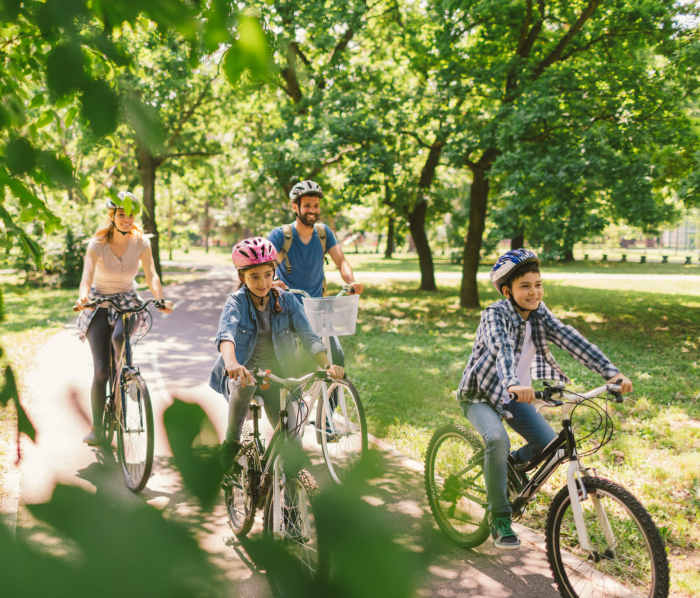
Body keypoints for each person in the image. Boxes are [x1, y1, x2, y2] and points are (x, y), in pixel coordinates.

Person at [457, 248, 632, 549]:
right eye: (525, 286)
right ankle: (499, 518)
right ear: (506, 290)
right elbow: (502, 350)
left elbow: (571, 339)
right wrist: (513, 382)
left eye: (538, 284)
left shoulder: (540, 314)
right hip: (481, 395)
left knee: (549, 446)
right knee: (497, 440)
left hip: (514, 395)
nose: (534, 292)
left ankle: (507, 468)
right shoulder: (493, 315)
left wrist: (610, 373)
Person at [208, 237, 344, 467]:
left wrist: (326, 365)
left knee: (292, 444)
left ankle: (290, 497)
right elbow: (226, 335)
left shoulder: (287, 300)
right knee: (244, 384)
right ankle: (230, 444)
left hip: (276, 376)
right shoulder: (236, 302)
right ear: (242, 277)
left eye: (267, 275)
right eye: (254, 276)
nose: (262, 282)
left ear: (274, 273)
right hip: (245, 372)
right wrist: (231, 364)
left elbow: (309, 336)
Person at [75, 191, 171, 446]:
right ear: (112, 216)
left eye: (130, 215)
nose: (127, 219)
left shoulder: (141, 243)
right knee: (101, 371)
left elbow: (151, 275)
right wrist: (83, 297)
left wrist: (160, 298)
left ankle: (126, 376)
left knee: (120, 337)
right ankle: (98, 428)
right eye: (121, 215)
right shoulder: (97, 244)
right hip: (99, 302)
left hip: (127, 300)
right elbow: (86, 277)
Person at [268, 179, 363, 369]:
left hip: (318, 308)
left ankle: (333, 398)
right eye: (307, 205)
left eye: (316, 206)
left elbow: (341, 261)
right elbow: (269, 267)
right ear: (296, 206)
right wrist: (273, 281)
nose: (313, 210)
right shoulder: (282, 236)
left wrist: (352, 282)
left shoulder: (323, 233)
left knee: (336, 359)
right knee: (289, 364)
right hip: (289, 308)